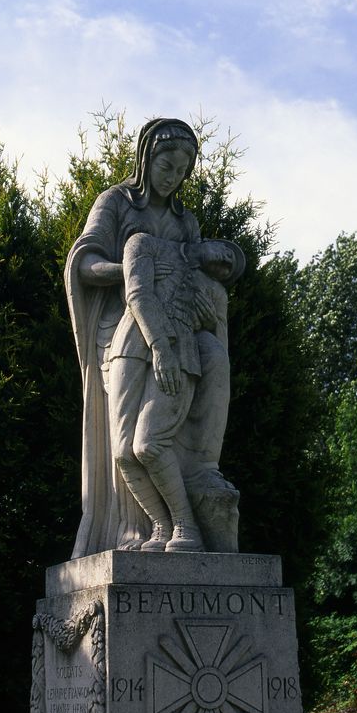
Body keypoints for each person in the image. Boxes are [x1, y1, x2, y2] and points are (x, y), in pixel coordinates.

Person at [64, 118, 244, 557]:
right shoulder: (116, 204)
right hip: (121, 333)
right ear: (147, 158)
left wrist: (191, 278)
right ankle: (133, 532)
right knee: (123, 446)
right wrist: (135, 270)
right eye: (166, 162)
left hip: (175, 337)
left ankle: (177, 529)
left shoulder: (186, 222)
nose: (173, 175)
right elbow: (85, 264)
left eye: (183, 169)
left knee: (157, 440)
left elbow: (196, 278)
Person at [109, 232, 244, 551]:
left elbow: (220, 357)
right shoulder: (147, 243)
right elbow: (138, 293)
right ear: (210, 241)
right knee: (123, 453)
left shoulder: (215, 292)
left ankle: (186, 525)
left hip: (181, 356)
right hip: (130, 346)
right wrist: (159, 347)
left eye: (229, 267)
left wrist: (211, 323)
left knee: (148, 444)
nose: (225, 261)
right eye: (226, 252)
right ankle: (161, 525)